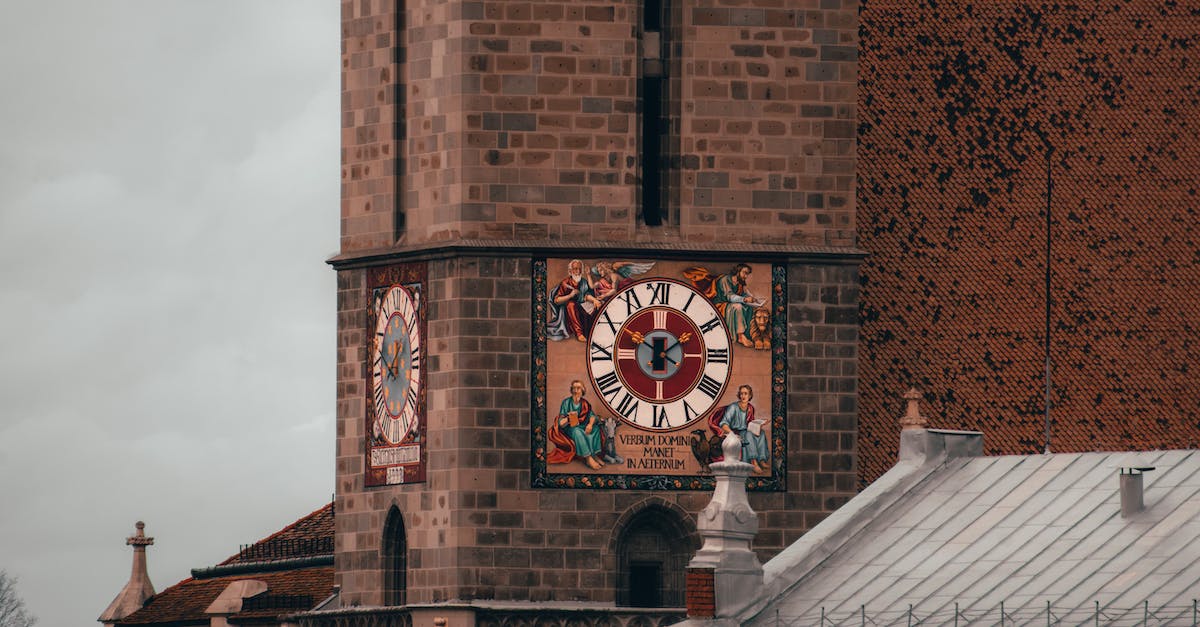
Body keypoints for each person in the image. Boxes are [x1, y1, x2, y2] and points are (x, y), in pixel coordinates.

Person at [547, 380, 606, 470]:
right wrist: (568, 418)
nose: (575, 391)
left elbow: (592, 416)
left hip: (581, 426)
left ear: (582, 391)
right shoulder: (566, 402)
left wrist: (590, 424)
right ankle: (588, 458)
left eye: (578, 388)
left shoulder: (585, 403)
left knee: (595, 428)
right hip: (569, 428)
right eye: (574, 388)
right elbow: (560, 422)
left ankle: (594, 455)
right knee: (577, 431)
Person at [717, 385, 769, 473]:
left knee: (762, 433)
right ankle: (754, 462)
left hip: (748, 430)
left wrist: (759, 425)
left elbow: (751, 423)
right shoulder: (733, 407)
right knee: (748, 434)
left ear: (750, 395)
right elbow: (723, 423)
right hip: (737, 431)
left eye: (745, 394)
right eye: (741, 394)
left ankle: (762, 460)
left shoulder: (750, 408)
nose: (743, 396)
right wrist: (732, 434)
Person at [547, 259, 601, 342]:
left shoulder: (583, 282)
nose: (578, 271)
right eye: (575, 269)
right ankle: (579, 333)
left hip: (582, 308)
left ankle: (593, 332)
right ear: (570, 271)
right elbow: (556, 300)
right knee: (571, 304)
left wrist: (594, 300)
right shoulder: (565, 283)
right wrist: (570, 295)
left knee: (596, 306)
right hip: (569, 314)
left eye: (580, 269)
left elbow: (586, 295)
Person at [713, 264, 761, 348]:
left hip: (730, 305)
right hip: (721, 306)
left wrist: (750, 298)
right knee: (738, 307)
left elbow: (742, 294)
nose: (746, 276)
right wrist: (744, 300)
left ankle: (748, 334)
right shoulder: (725, 280)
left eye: (747, 274)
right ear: (738, 271)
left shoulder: (739, 283)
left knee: (749, 307)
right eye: (744, 273)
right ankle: (740, 336)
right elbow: (729, 296)